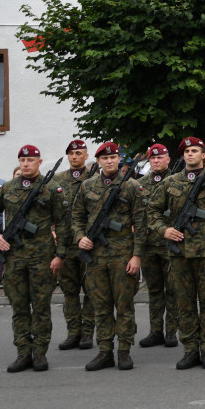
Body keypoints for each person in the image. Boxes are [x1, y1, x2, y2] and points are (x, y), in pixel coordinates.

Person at [146, 137, 205, 370]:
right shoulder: (170, 182)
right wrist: (165, 230)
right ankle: (189, 350)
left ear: (204, 155)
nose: (190, 154)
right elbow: (151, 210)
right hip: (180, 254)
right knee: (184, 303)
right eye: (187, 151)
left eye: (195, 151)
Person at [0, 145, 66, 372]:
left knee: (41, 307)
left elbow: (64, 223)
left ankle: (39, 353)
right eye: (22, 160)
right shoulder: (8, 188)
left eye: (31, 160)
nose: (26, 163)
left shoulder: (51, 188)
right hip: (15, 257)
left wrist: (60, 255)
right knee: (19, 307)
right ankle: (22, 353)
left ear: (39, 162)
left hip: (42, 257)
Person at [71, 142, 145, 371]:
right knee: (100, 306)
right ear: (99, 161)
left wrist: (137, 256)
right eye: (105, 158)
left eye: (114, 157)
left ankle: (124, 351)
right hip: (95, 256)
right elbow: (76, 217)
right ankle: (105, 351)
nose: (110, 161)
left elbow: (141, 224)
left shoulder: (132, 186)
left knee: (124, 305)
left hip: (123, 254)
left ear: (119, 160)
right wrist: (79, 237)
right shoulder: (87, 186)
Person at [49, 140, 98, 349]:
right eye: (71, 154)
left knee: (90, 291)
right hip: (65, 245)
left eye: (79, 153)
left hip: (89, 243)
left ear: (86, 156)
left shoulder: (96, 180)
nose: (75, 157)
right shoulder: (57, 180)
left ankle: (87, 333)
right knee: (69, 291)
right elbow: (49, 208)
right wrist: (51, 230)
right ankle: (73, 333)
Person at [137, 143, 180, 348]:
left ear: (168, 159)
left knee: (172, 289)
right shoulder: (140, 184)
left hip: (169, 244)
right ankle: (156, 330)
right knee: (154, 290)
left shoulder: (177, 181)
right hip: (148, 245)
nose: (156, 161)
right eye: (153, 158)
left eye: (160, 157)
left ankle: (171, 330)